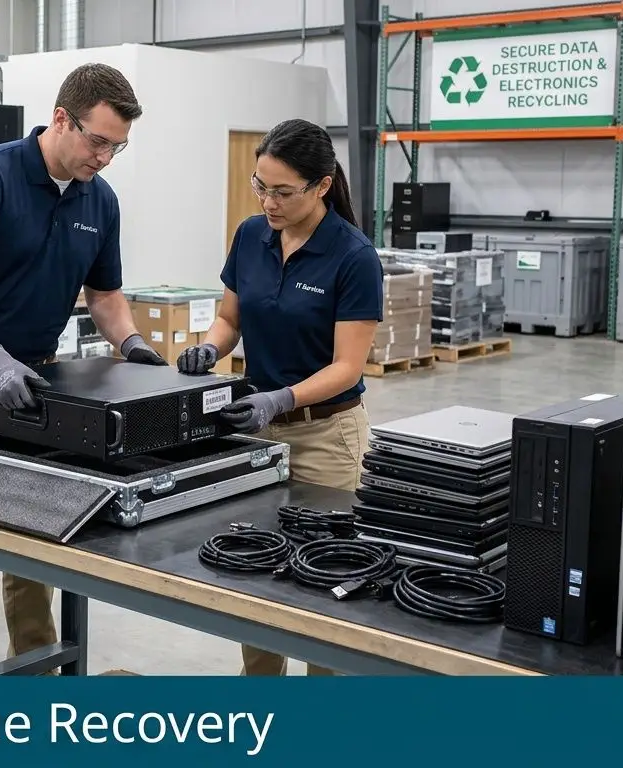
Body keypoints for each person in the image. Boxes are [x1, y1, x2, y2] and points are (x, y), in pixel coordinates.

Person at [0, 62, 167, 676]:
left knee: (37, 538)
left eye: (117, 146)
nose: (104, 157)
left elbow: (104, 297)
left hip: (41, 385)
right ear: (60, 119)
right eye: (97, 140)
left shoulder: (100, 201)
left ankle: (35, 680)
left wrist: (134, 347)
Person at [176, 118, 384, 677]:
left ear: (321, 186)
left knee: (323, 580)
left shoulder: (353, 257)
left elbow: (348, 366)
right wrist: (209, 350)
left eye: (283, 191)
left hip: (326, 436)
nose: (269, 201)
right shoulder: (250, 235)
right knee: (258, 571)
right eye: (260, 186)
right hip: (258, 433)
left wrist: (280, 399)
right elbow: (229, 319)